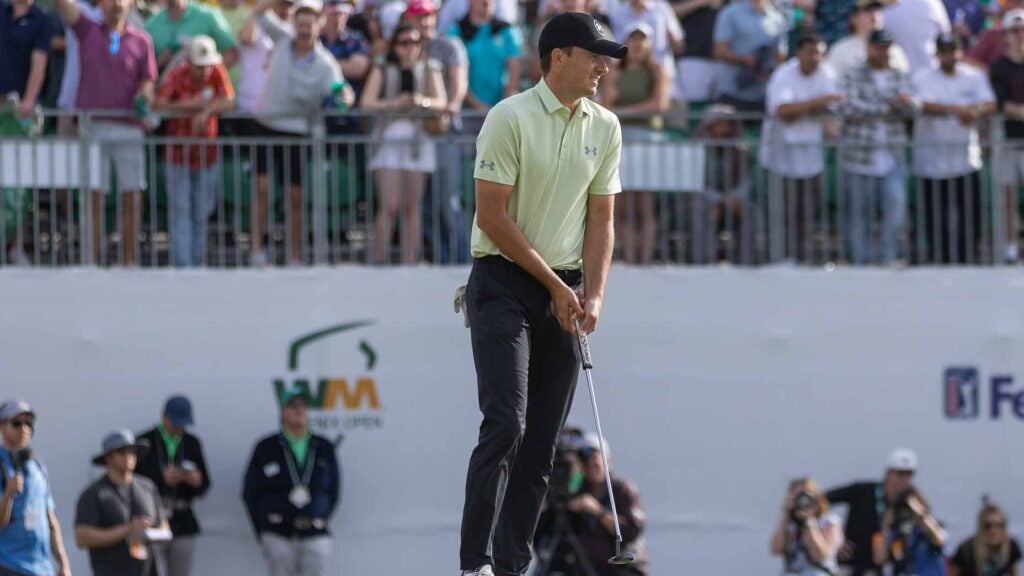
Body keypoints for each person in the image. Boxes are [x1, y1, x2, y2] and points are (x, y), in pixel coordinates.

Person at [457, 12, 625, 576]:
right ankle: (474, 564)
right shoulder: (509, 117)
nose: (604, 66)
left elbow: (602, 220)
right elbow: (492, 217)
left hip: (567, 290)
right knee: (506, 423)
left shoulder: (606, 126)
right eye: (594, 54)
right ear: (558, 57)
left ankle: (512, 567)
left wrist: (594, 294)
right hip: (503, 283)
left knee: (542, 448)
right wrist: (557, 287)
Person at [52, 0, 158, 267]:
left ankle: (128, 261)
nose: (117, 4)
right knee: (93, 197)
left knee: (132, 196)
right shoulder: (87, 28)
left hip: (129, 128)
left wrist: (144, 95)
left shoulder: (142, 40)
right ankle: (91, 261)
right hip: (93, 127)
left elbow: (148, 79)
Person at [248, 0, 353, 266]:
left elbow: (341, 90)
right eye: (301, 24)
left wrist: (345, 97)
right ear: (294, 25)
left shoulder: (326, 63)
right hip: (265, 126)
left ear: (319, 26)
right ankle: (256, 252)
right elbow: (257, 12)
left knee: (294, 197)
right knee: (261, 189)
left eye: (310, 24)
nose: (305, 29)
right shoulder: (282, 39)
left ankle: (294, 256)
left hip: (297, 133)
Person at [360, 23, 448, 264]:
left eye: (415, 43)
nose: (410, 48)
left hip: (419, 142)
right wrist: (395, 103)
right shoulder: (382, 68)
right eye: (404, 43)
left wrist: (422, 101)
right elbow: (367, 103)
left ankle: (411, 262)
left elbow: (442, 101)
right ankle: (377, 262)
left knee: (412, 207)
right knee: (389, 205)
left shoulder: (430, 68)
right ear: (394, 45)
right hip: (389, 139)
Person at [153, 35, 236, 268]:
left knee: (201, 213)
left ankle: (197, 265)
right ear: (189, 63)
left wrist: (206, 111)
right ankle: (183, 267)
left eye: (208, 65)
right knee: (182, 213)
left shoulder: (216, 71)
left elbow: (229, 100)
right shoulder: (176, 74)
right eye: (200, 66)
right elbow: (158, 103)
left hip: (206, 155)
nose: (205, 70)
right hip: (177, 155)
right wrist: (186, 106)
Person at [912, 32, 995, 265]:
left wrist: (974, 111)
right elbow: (919, 104)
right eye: (945, 51)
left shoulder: (973, 76)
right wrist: (956, 110)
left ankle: (968, 259)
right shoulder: (923, 77)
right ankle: (938, 260)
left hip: (966, 159)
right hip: (931, 161)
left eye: (953, 51)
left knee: (970, 216)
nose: (949, 56)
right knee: (935, 217)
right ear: (937, 54)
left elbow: (989, 103)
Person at [759, 31, 840, 264]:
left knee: (808, 214)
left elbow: (830, 113)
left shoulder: (827, 74)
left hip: (810, 157)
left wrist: (806, 109)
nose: (816, 58)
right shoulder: (783, 74)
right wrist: (819, 103)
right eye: (811, 52)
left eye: (820, 54)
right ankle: (778, 258)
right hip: (780, 156)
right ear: (799, 52)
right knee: (781, 214)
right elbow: (783, 111)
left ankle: (804, 260)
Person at [242, 391, 341, 576]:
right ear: (282, 412)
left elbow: (334, 490)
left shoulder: (323, 447)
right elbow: (250, 492)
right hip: (277, 532)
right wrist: (263, 530)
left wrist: (320, 514)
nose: (299, 410)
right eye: (292, 406)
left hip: (315, 531)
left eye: (303, 406)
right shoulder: (266, 447)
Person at [839, 29, 915, 265]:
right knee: (859, 214)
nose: (882, 52)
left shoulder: (899, 74)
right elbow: (849, 107)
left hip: (892, 156)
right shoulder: (853, 74)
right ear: (869, 47)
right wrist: (885, 109)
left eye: (886, 47)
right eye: (878, 47)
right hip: (859, 156)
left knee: (895, 210)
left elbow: (914, 107)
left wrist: (905, 104)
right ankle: (860, 262)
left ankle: (888, 258)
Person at [405, 0, 472, 265]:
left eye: (428, 15)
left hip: (444, 134)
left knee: (448, 203)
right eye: (418, 16)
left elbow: (459, 82)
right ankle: (442, 260)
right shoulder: (405, 44)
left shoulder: (449, 45)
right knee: (424, 207)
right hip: (414, 138)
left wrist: (451, 106)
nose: (424, 21)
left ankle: (462, 262)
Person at [600, 21, 670, 265]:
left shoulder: (658, 71)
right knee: (624, 203)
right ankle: (629, 257)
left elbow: (659, 106)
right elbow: (607, 105)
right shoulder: (615, 72)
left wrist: (623, 110)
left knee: (645, 203)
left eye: (643, 39)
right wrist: (628, 110)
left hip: (648, 140)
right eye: (634, 38)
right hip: (621, 140)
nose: (638, 44)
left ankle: (645, 258)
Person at [134, 396, 212, 576]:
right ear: (164, 417)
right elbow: (133, 482)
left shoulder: (191, 443)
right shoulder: (145, 442)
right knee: (151, 570)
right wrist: (161, 479)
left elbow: (205, 483)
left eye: (183, 424)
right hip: (152, 516)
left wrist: (196, 481)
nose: (179, 428)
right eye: (175, 423)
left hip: (182, 519)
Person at [74, 430, 169, 576]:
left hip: (149, 570)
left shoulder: (147, 487)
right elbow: (82, 537)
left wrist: (150, 531)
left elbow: (163, 525)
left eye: (132, 451)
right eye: (121, 451)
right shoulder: (94, 494)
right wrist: (127, 530)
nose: (128, 456)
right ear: (109, 457)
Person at [0, 400, 71, 576]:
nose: (24, 429)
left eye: (28, 423)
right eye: (17, 423)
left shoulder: (38, 466)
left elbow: (50, 519)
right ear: (2, 426)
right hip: (9, 564)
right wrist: (8, 493)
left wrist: (63, 563)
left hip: (41, 567)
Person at [826, 448, 921, 576]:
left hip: (876, 570)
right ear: (888, 473)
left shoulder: (908, 505)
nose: (903, 480)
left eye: (908, 475)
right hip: (846, 566)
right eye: (899, 474)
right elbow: (820, 501)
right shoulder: (863, 490)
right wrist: (834, 542)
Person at [566, 435, 647, 575]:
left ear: (607, 461)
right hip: (589, 570)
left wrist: (597, 510)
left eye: (595, 462)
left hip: (622, 569)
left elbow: (631, 530)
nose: (591, 467)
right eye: (586, 463)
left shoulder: (623, 490)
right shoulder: (578, 491)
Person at [446, 0, 523, 117]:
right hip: (466, 113)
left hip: (501, 112)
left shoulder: (507, 30)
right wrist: (477, 105)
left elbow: (515, 67)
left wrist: (505, 103)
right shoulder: (455, 32)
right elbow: (454, 74)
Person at [989, 9, 1024, 263]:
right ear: (1007, 35)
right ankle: (1010, 248)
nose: (1020, 35)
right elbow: (1000, 104)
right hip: (1008, 140)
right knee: (1007, 197)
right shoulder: (998, 66)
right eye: (1015, 30)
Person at [711, 0, 788, 112]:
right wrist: (744, 59)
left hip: (763, 95)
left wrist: (768, 70)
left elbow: (780, 57)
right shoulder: (730, 13)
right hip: (731, 93)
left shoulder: (777, 18)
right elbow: (719, 51)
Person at [770, 477, 843, 576]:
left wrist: (809, 522)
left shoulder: (829, 522)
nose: (802, 500)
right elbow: (775, 549)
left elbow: (820, 555)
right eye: (797, 496)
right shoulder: (789, 524)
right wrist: (786, 514)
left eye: (805, 495)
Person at [872, 486, 947, 576]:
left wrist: (920, 512)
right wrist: (886, 525)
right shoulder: (894, 534)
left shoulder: (931, 529)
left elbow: (939, 539)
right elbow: (879, 559)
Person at [145, 0, 237, 73]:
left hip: (201, 94)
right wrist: (158, 63)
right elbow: (142, 70)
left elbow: (231, 53)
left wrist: (205, 74)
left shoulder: (208, 16)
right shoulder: (151, 24)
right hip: (164, 93)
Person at [826, 0, 909, 78]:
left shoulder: (893, 50)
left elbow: (904, 84)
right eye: (868, 10)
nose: (874, 15)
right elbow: (832, 87)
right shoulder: (841, 50)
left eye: (877, 10)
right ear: (853, 18)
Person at [949, 502, 1023, 576]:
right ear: (980, 527)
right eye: (988, 526)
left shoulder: (1011, 546)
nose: (994, 530)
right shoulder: (966, 550)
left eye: (999, 525)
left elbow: (1014, 573)